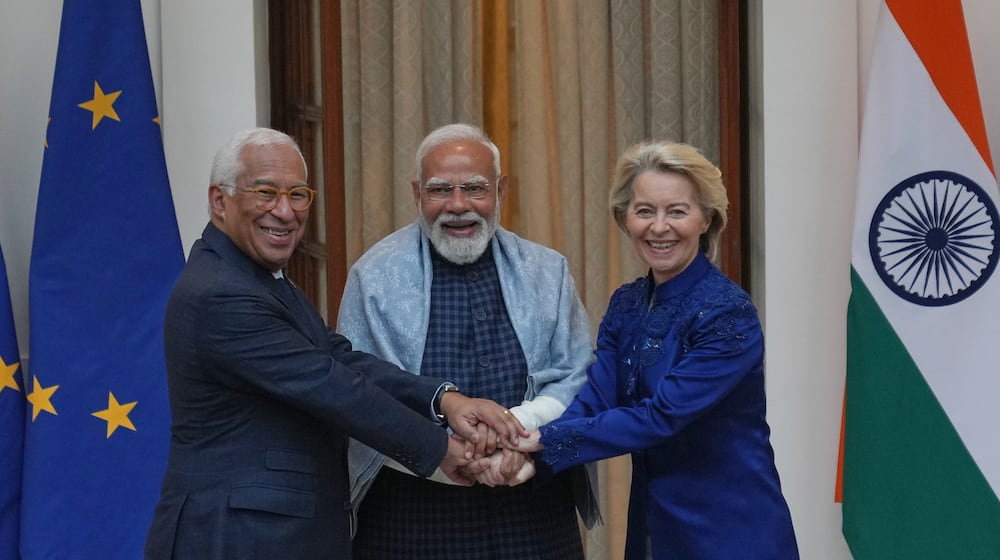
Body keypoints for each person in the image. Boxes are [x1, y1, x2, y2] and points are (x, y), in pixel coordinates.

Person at [144, 127, 524, 559]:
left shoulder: (253, 275)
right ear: (220, 201)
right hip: (234, 538)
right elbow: (332, 387)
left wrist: (445, 400)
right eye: (266, 192)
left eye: (298, 194)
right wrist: (439, 448)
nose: (285, 212)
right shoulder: (221, 293)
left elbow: (339, 358)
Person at [514, 141, 799, 559]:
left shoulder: (727, 313)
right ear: (624, 218)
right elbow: (596, 397)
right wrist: (528, 447)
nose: (659, 227)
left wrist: (542, 441)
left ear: (706, 220)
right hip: (653, 524)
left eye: (677, 211)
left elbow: (661, 416)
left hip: (731, 531)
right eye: (645, 211)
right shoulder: (627, 304)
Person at [338, 123, 599, 559]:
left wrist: (517, 437)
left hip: (532, 512)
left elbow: (578, 376)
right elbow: (359, 395)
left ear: (501, 191)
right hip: (413, 519)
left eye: (475, 188)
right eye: (440, 190)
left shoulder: (546, 271)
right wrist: (443, 451)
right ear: (416, 193)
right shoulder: (375, 277)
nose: (458, 206)